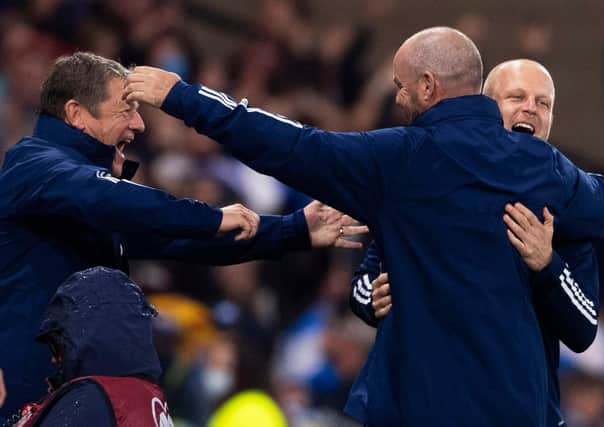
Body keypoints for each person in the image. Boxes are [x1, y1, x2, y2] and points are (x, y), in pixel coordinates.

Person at [125, 27, 604, 425]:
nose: (400, 98)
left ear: (427, 86)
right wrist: (370, 296)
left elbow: (289, 144)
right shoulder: (551, 177)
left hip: (418, 407)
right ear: (489, 98)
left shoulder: (400, 161)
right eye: (518, 97)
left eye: (403, 87)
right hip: (507, 408)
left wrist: (184, 98)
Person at [0, 52, 366, 420]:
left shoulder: (90, 200)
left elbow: (184, 242)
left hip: (69, 392)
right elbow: (112, 197)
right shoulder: (35, 165)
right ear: (77, 114)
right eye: (126, 109)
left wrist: (293, 229)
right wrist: (210, 217)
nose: (139, 124)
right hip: (21, 394)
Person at [349, 59, 601, 426]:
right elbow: (363, 281)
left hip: (517, 410)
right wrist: (369, 298)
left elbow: (583, 330)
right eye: (516, 96)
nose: (530, 107)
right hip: (418, 403)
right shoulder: (431, 182)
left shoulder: (565, 208)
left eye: (542, 102)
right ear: (483, 108)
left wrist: (548, 264)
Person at [10, 266, 173, 427]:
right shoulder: (148, 396)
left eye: (58, 346)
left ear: (85, 338)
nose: (54, 359)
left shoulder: (93, 397)